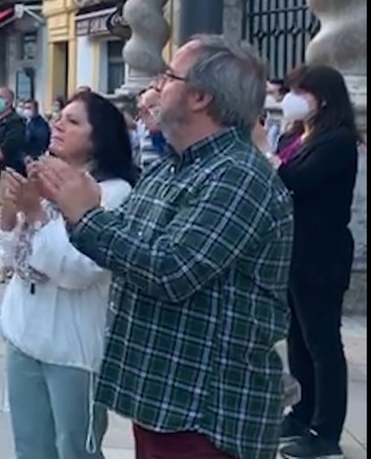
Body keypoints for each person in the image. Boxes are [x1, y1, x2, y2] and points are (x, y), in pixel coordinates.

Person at [38, 35, 293, 459]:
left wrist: (86, 215)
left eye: (168, 77)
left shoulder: (237, 176)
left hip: (208, 411)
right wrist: (70, 207)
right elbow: (127, 238)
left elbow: (171, 271)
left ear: (200, 97)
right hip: (166, 400)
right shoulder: (172, 168)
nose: (154, 88)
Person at [0, 91, 138, 459]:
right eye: (61, 116)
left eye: (73, 121)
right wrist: (11, 213)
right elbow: (9, 259)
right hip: (23, 331)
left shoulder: (113, 193)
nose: (58, 124)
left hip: (72, 347)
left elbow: (80, 272)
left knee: (76, 450)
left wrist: (37, 215)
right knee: (30, 446)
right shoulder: (45, 177)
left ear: (98, 138)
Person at [273, 65, 360, 459]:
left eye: (300, 91)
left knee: (322, 342)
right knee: (298, 338)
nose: (292, 97)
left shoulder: (338, 141)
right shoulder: (300, 134)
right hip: (296, 251)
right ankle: (302, 411)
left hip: (322, 255)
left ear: (321, 97)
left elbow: (298, 181)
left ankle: (326, 431)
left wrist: (269, 161)